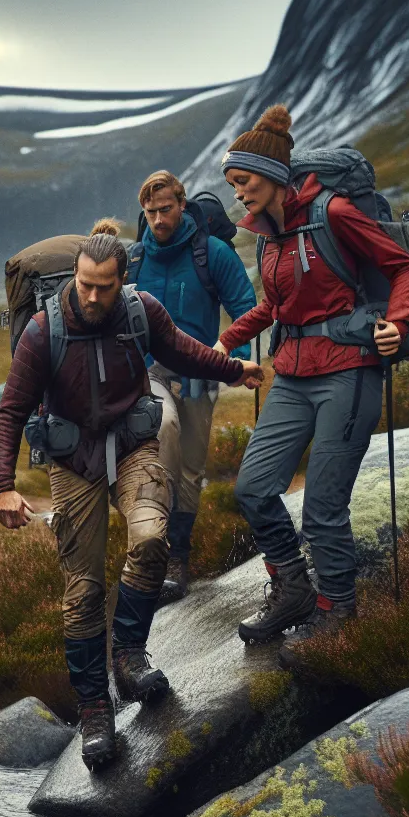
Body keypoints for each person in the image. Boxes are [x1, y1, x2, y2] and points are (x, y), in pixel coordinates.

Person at [0, 221, 263, 770]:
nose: (92, 296)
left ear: (122, 279)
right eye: (85, 285)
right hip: (73, 463)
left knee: (151, 540)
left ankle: (130, 656)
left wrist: (235, 370)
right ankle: (95, 713)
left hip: (135, 446)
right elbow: (11, 412)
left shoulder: (143, 312)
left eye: (103, 286)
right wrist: (2, 486)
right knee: (84, 591)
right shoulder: (43, 333)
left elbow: (185, 353)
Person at [218, 105, 409, 645]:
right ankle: (293, 590)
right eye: (233, 184)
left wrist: (396, 325)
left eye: (244, 180)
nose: (238, 193)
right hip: (292, 372)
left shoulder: (333, 214)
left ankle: (337, 610)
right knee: (253, 489)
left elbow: (401, 265)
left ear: (275, 174)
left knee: (324, 506)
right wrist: (225, 342)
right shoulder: (268, 235)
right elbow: (277, 306)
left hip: (349, 369)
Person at [129, 171, 258, 602]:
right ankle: (158, 548)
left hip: (201, 372)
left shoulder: (212, 253)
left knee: (192, 467)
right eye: (150, 213)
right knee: (162, 428)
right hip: (148, 372)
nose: (158, 220)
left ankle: (178, 557)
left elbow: (247, 309)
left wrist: (225, 350)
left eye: (166, 210)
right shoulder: (133, 260)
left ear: (182, 205)